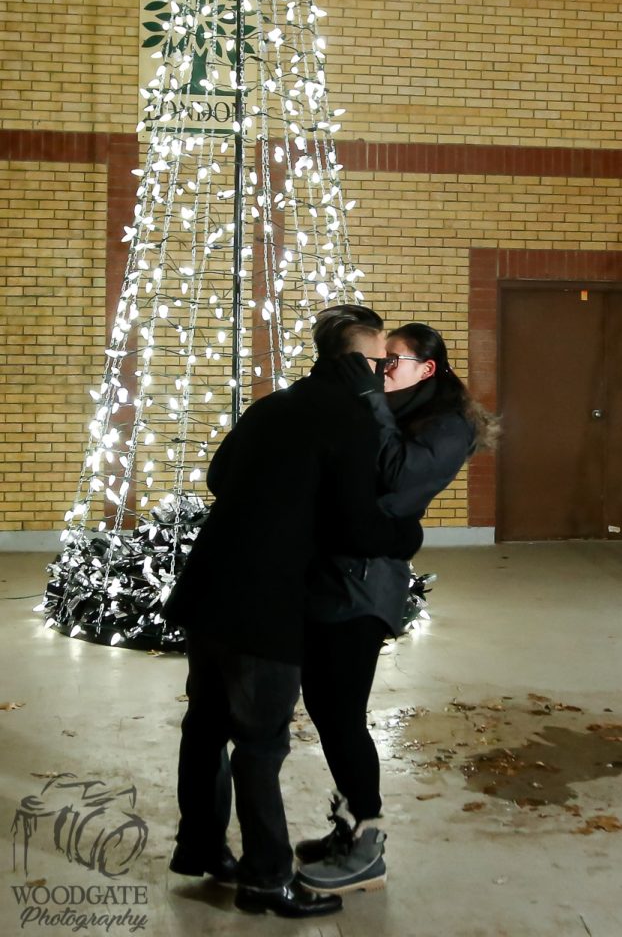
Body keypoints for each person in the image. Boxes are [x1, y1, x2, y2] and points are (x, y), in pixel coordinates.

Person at [161, 306, 423, 919]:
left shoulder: (274, 405)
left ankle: (201, 848)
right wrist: (406, 536)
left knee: (205, 726)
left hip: (209, 591)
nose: (385, 372)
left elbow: (219, 476)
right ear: (359, 362)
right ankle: (266, 880)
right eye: (381, 360)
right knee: (260, 742)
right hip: (267, 606)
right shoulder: (351, 420)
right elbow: (357, 526)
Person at [296, 322, 498, 896]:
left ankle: (368, 841)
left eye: (392, 363)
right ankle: (348, 824)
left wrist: (370, 402)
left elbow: (395, 476)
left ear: (426, 368)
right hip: (336, 577)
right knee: (326, 707)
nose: (380, 372)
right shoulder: (396, 411)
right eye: (377, 363)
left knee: (342, 713)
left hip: (367, 588)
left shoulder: (447, 424)